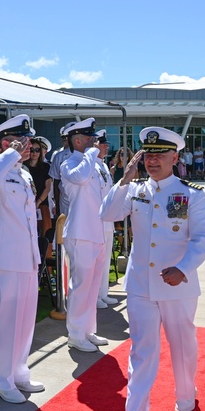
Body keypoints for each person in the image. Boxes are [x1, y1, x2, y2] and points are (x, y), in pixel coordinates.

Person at [99, 126, 205, 411]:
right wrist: (123, 179)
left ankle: (186, 394)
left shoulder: (190, 194)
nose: (153, 160)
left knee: (182, 346)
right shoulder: (134, 190)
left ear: (175, 157)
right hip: (140, 286)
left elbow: (202, 239)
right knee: (141, 353)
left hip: (177, 285)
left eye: (160, 154)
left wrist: (184, 268)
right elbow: (106, 214)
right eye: (148, 154)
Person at [0, 115, 43, 404]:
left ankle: (19, 372)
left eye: (28, 141)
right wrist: (9, 154)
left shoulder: (25, 174)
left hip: (26, 256)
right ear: (5, 143)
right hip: (5, 257)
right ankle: (2, 380)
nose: (29, 146)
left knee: (26, 319)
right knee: (7, 321)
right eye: (23, 141)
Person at [60, 118, 111, 352]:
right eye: (90, 138)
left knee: (92, 286)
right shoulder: (69, 163)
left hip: (97, 231)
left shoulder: (95, 164)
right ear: (77, 140)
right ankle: (75, 333)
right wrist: (91, 154)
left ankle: (88, 329)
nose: (95, 142)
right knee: (81, 285)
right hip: (81, 233)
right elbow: (79, 178)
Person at [95, 130, 117, 307]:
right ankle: (95, 296)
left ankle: (103, 293)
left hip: (107, 220)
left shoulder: (102, 165)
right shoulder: (92, 166)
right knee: (97, 260)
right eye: (103, 144)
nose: (107, 146)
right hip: (97, 220)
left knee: (105, 259)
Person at [25, 136, 53, 232]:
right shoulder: (23, 167)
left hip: (41, 204)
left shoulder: (45, 167)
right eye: (31, 150)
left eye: (37, 150)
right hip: (25, 205)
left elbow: (48, 187)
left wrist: (37, 203)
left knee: (45, 234)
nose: (34, 153)